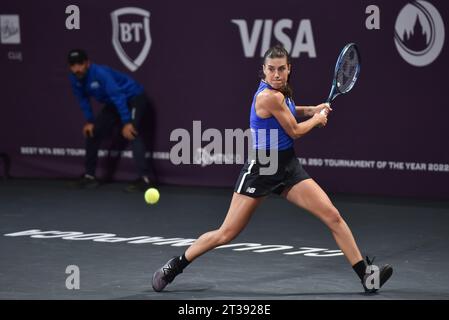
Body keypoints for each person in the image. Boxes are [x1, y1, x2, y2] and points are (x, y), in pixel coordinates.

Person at [152, 45, 393, 293]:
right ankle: (175, 265)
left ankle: (365, 275)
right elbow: (295, 130)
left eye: (281, 69)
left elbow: (288, 112)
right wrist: (317, 119)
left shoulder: (282, 92)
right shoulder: (268, 96)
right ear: (263, 71)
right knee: (226, 233)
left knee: (332, 215)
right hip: (263, 168)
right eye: (271, 70)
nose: (276, 74)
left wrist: (310, 109)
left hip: (287, 166)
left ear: (289, 69)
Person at [67, 49, 154, 192]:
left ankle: (145, 179)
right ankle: (89, 177)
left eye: (79, 64)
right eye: (73, 65)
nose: (76, 69)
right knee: (92, 132)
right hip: (114, 103)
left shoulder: (100, 73)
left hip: (133, 97)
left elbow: (118, 96)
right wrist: (90, 121)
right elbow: (82, 100)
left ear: (87, 63)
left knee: (131, 132)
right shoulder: (74, 78)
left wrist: (126, 122)